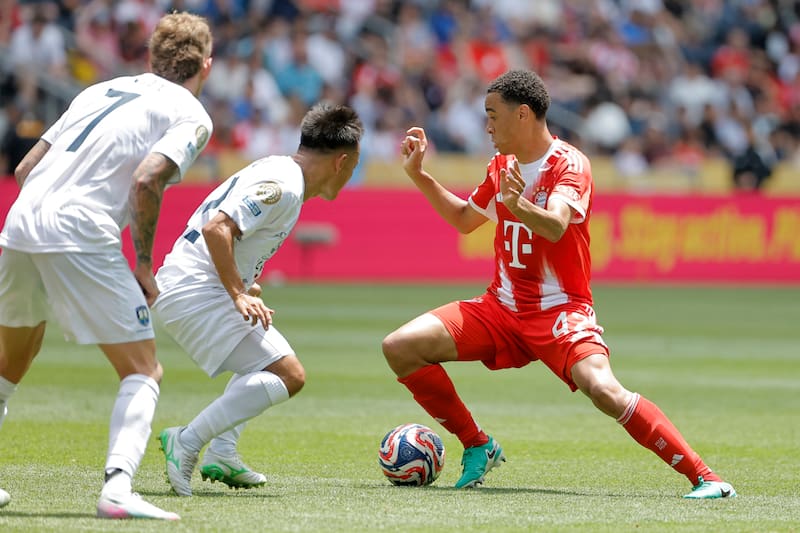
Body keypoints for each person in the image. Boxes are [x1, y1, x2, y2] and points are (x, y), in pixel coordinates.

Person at [381, 69, 736, 499]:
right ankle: (478, 444)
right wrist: (420, 174)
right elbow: (463, 220)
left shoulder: (570, 164)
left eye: (493, 115)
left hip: (560, 311)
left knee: (604, 390)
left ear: (523, 115)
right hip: (501, 308)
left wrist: (518, 204)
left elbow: (555, 226)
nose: (487, 126)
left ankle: (707, 478)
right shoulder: (501, 166)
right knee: (400, 347)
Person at [0, 12, 214, 519]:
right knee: (144, 369)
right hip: (80, 228)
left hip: (22, 220)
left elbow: (25, 167)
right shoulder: (192, 114)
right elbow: (146, 181)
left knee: (9, 363)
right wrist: (143, 266)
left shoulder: (99, 91)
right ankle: (118, 489)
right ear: (206, 65)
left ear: (150, 59)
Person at [153, 102, 362, 497]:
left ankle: (223, 452)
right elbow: (217, 229)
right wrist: (235, 291)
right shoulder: (284, 186)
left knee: (260, 361)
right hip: (194, 290)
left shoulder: (281, 173)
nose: (350, 176)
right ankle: (187, 440)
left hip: (191, 284)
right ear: (342, 162)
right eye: (353, 167)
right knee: (289, 374)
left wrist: (244, 286)